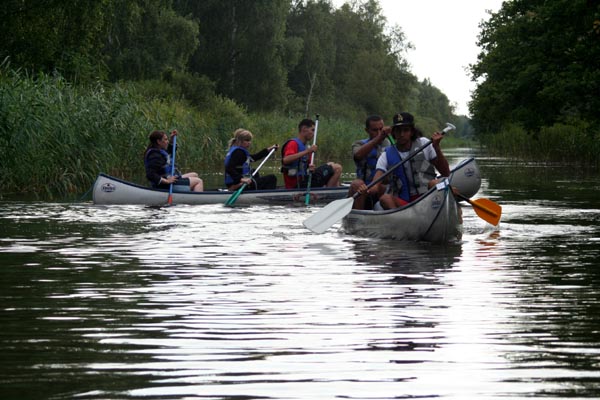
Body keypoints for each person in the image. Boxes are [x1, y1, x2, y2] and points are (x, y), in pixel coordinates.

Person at [356, 112, 450, 209]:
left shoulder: (425, 144)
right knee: (385, 198)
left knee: (435, 183)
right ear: (393, 133)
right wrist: (367, 190)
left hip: (427, 199)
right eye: (398, 131)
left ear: (412, 132)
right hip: (403, 204)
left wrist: (437, 148)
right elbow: (376, 184)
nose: (401, 134)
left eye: (406, 130)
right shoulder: (386, 155)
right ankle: (401, 221)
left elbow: (445, 172)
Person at [281, 118, 342, 189]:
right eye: (312, 130)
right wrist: (307, 151)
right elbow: (286, 159)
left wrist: (312, 168)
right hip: (297, 184)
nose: (313, 134)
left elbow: (308, 168)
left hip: (305, 179)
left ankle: (332, 187)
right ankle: (329, 193)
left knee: (331, 164)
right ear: (304, 129)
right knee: (337, 168)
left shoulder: (306, 147)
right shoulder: (293, 144)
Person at [348, 115, 392, 209]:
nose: (379, 132)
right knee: (357, 184)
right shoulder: (359, 144)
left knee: (384, 187)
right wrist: (378, 138)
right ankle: (359, 217)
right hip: (363, 189)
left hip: (381, 189)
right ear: (367, 130)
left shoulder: (391, 145)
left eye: (381, 129)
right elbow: (358, 155)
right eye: (375, 130)